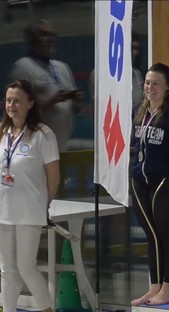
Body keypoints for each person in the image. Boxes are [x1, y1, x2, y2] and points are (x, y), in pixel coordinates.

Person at [0, 79, 60, 312]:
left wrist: (44, 204)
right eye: (8, 100)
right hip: (4, 210)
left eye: (17, 101)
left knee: (27, 268)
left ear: (30, 104)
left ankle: (47, 309)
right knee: (7, 269)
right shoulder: (3, 132)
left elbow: (53, 177)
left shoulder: (43, 134)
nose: (12, 105)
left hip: (29, 211)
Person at [130, 63, 169, 306]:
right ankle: (154, 287)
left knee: (166, 234)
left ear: (167, 87)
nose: (150, 88)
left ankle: (168, 287)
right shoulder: (139, 111)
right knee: (150, 235)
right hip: (139, 179)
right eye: (147, 83)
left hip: (164, 179)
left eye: (156, 84)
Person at [10, 20, 83, 152]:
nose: (49, 39)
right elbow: (17, 111)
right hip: (34, 150)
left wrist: (76, 103)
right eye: (43, 34)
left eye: (51, 35)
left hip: (60, 147)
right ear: (30, 39)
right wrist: (50, 102)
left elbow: (73, 110)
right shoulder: (22, 68)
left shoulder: (62, 67)